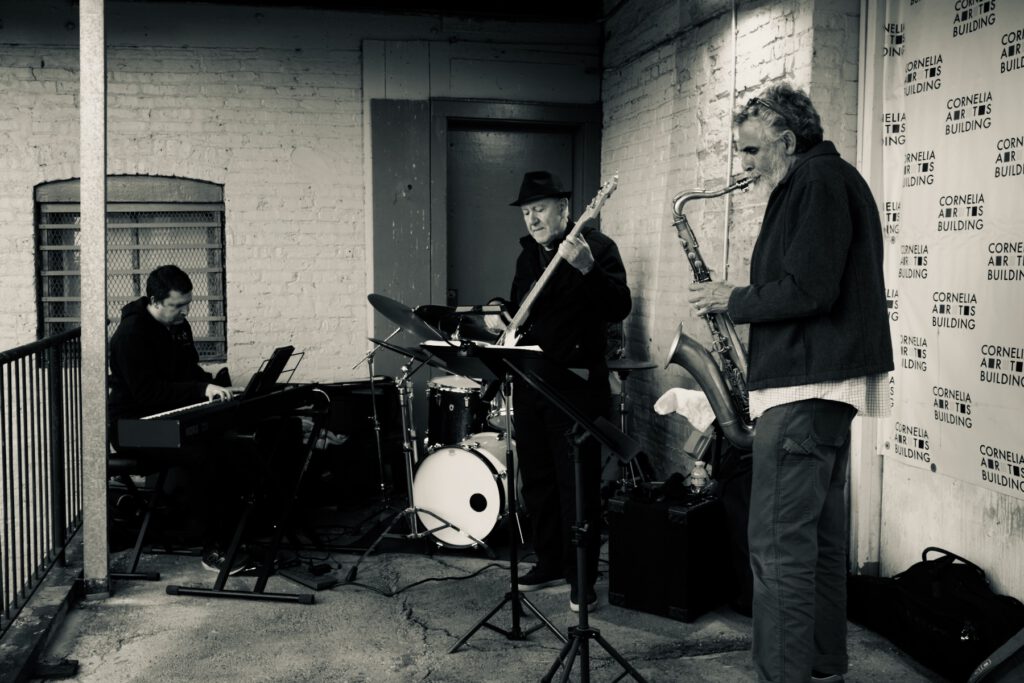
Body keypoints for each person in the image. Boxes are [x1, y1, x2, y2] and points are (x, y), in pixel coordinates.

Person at [686, 83, 894, 683]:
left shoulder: (817, 182)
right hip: (823, 394)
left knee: (777, 552)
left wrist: (734, 298)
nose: (743, 165)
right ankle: (824, 668)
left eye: (751, 152)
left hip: (804, 393)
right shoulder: (823, 181)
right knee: (820, 547)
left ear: (786, 140)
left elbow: (811, 288)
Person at [491, 170, 632, 612]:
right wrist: (502, 315)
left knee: (578, 485)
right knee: (539, 480)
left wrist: (587, 268)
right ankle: (550, 561)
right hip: (532, 380)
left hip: (575, 385)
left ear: (565, 208)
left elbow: (618, 305)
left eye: (540, 209)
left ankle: (581, 578)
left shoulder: (599, 249)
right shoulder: (528, 256)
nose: (532, 219)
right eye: (527, 212)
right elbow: (524, 311)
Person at [108, 264, 245, 574]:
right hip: (133, 429)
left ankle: (231, 536)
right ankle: (213, 549)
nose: (185, 312)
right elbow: (148, 394)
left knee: (229, 447)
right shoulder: (130, 335)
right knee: (202, 456)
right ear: (155, 301)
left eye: (187, 304)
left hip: (168, 420)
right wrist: (200, 389)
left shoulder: (178, 327)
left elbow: (189, 372)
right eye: (177, 306)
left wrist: (215, 387)